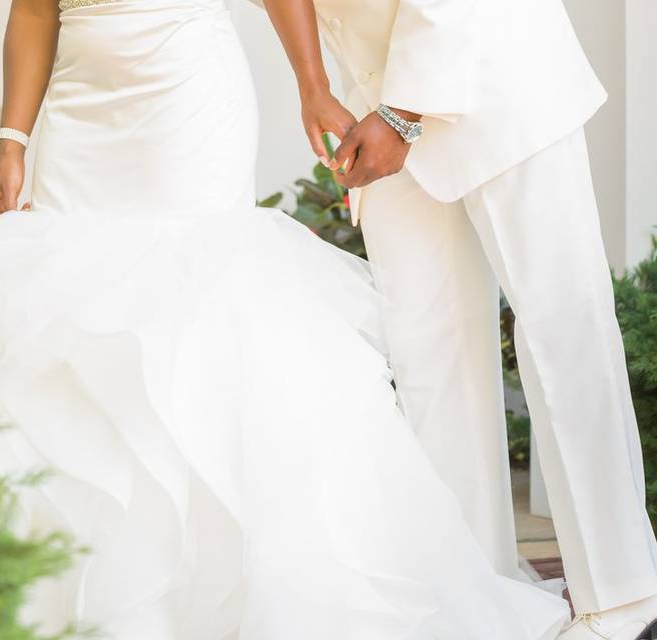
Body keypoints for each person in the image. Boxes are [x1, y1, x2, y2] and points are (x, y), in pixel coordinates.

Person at [0, 0, 570, 637]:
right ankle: (75, 581)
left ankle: (208, 586)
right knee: (72, 319)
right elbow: (33, 6)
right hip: (81, 117)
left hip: (188, 100)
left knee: (195, 308)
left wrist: (312, 88)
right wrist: (12, 141)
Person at [261, 1, 657, 638]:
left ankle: (624, 597)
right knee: (428, 357)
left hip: (494, 70)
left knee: (562, 326)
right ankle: (475, 592)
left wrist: (404, 112)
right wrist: (314, 86)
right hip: (375, 101)